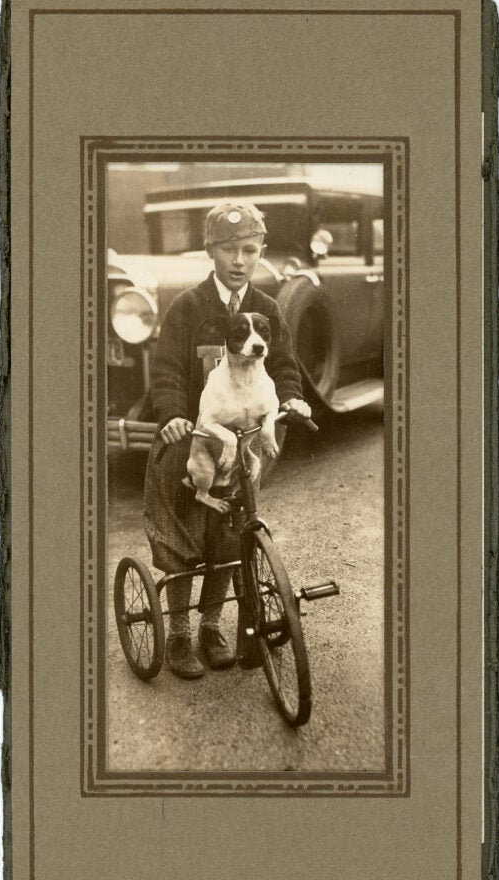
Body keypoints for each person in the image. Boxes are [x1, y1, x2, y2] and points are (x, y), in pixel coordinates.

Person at [143, 200, 311, 679]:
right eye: (228, 249)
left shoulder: (268, 309)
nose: (239, 261)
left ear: (261, 253)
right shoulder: (188, 307)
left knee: (229, 538)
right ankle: (177, 633)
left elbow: (283, 366)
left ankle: (212, 627)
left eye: (249, 250)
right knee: (183, 537)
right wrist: (173, 415)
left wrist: (294, 399)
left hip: (244, 443)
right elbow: (170, 369)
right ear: (209, 250)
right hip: (191, 440)